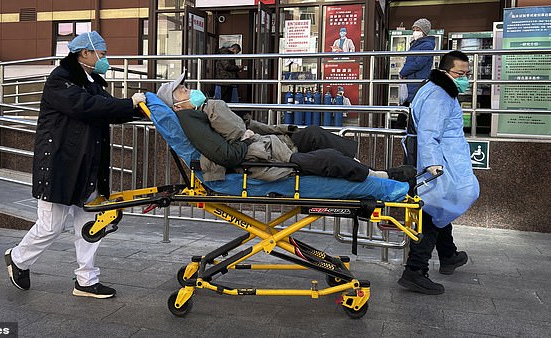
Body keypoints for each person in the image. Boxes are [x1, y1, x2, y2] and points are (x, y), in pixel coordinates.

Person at [5, 31, 146, 299]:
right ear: (85, 53)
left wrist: (137, 108)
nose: (105, 59)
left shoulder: (91, 81)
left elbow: (104, 107)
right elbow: (87, 107)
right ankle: (18, 259)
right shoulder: (60, 80)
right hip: (59, 165)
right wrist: (129, 103)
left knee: (90, 224)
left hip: (87, 165)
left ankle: (86, 280)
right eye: (101, 54)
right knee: (50, 227)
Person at [156, 72, 415, 184]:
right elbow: (225, 155)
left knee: (313, 133)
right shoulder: (189, 119)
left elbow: (241, 128)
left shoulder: (200, 111)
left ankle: (363, 167)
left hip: (265, 146)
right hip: (262, 160)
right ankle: (382, 177)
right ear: (176, 105)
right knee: (327, 158)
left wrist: (271, 130)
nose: (187, 88)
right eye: (181, 89)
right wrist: (246, 139)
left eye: (184, 85)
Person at [397, 50, 480, 295]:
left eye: (467, 74)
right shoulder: (439, 94)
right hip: (440, 162)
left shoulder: (439, 90)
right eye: (460, 73)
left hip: (445, 159)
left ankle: (448, 254)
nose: (465, 78)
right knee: (435, 211)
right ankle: (415, 270)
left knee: (442, 205)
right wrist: (433, 164)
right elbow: (429, 132)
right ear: (445, 71)